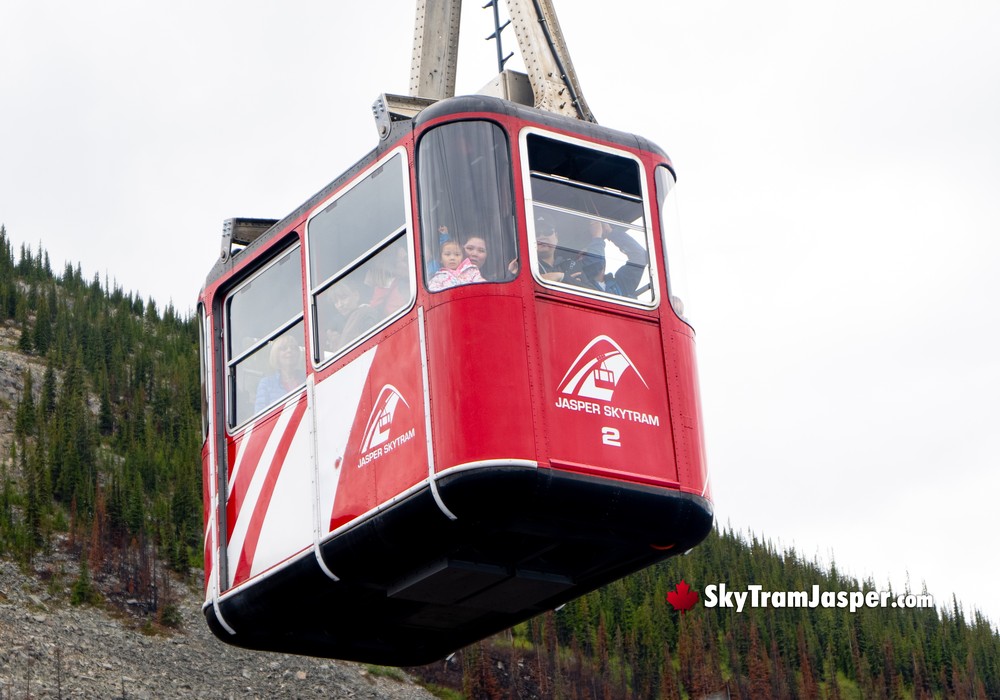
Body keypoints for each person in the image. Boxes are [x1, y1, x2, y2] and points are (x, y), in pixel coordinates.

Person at [254, 335, 304, 411]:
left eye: (293, 348)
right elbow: (259, 415)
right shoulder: (266, 384)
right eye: (284, 348)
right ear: (276, 354)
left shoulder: (307, 378)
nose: (289, 350)